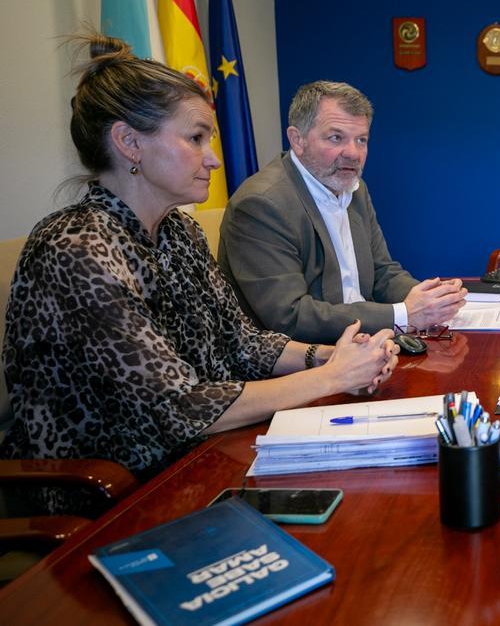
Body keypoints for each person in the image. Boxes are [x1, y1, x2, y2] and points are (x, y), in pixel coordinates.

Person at [0, 36, 400, 515]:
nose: (213, 158)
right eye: (195, 139)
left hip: (197, 458)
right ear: (129, 143)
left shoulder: (179, 230)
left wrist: (334, 356)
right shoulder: (75, 249)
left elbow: (242, 343)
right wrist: (328, 377)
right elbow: (180, 407)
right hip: (110, 493)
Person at [218, 81, 466, 344]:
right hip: (304, 360)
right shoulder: (261, 204)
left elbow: (382, 272)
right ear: (297, 140)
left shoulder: (355, 188)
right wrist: (404, 314)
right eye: (336, 138)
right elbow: (290, 318)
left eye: (362, 140)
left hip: (366, 343)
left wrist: (431, 300)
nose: (353, 153)